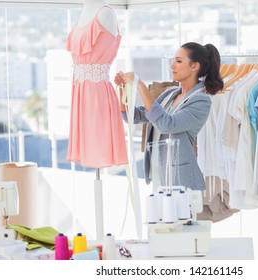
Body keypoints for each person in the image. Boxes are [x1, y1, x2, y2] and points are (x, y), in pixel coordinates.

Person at [114, 42, 224, 191]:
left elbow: (167, 125)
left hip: (181, 181)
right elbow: (134, 117)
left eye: (178, 61)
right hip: (159, 175)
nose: (172, 66)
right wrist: (123, 89)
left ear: (194, 66)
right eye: (173, 60)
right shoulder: (170, 93)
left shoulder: (201, 101)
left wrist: (140, 85)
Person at [66, 0, 128, 168]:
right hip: (79, 92)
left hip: (96, 94)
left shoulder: (105, 13)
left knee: (98, 146)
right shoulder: (85, 11)